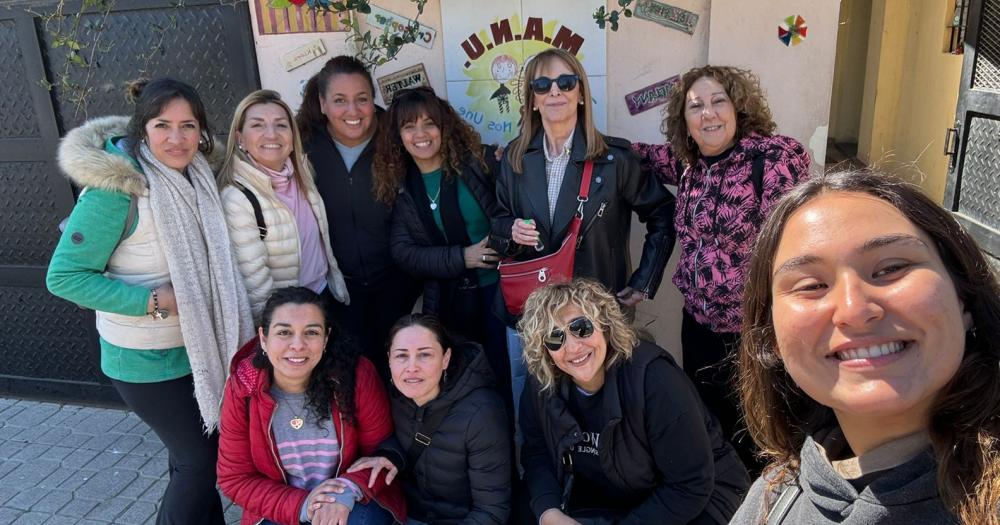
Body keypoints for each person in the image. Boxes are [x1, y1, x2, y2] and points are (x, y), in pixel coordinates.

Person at [731, 170, 1000, 524]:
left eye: (892, 267)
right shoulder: (773, 496)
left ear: (963, 298)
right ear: (772, 339)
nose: (854, 310)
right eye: (811, 285)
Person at [46, 78, 254, 524]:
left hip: (198, 349)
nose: (176, 139)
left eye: (188, 125)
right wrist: (154, 302)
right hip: (144, 359)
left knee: (193, 459)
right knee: (199, 461)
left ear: (202, 131)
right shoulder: (116, 191)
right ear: (142, 130)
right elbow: (64, 277)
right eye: (163, 125)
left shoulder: (198, 176)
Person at [631, 65, 811, 469]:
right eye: (696, 106)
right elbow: (636, 155)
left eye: (718, 101)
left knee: (760, 430)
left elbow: (796, 248)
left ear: (738, 107)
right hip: (698, 324)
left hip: (753, 330)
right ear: (685, 121)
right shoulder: (687, 165)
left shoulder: (772, 160)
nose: (708, 114)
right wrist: (583, 141)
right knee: (708, 422)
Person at [495, 48, 675, 419]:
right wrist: (508, 230)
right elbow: (496, 220)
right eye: (542, 84)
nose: (555, 91)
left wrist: (645, 279)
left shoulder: (614, 160)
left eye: (566, 81)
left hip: (598, 314)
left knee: (603, 414)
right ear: (531, 100)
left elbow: (663, 213)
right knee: (538, 414)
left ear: (580, 93)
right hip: (534, 315)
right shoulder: (514, 160)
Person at [518, 279, 749, 525]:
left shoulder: (655, 379)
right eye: (556, 338)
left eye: (581, 328)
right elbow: (536, 453)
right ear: (546, 350)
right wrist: (549, 512)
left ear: (604, 326)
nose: (573, 346)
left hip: (698, 496)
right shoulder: (543, 384)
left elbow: (691, 484)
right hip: (613, 497)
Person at [372, 86, 512, 415]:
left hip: (500, 295)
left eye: (428, 123)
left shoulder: (480, 162)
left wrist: (501, 244)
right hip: (447, 302)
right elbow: (404, 252)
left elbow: (511, 213)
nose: (420, 134)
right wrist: (462, 257)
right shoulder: (402, 185)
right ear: (398, 136)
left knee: (506, 379)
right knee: (457, 386)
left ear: (444, 125)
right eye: (409, 127)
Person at [217, 286, 405, 525]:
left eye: (311, 332)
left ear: (326, 338)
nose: (298, 344)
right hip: (282, 504)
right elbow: (235, 478)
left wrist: (346, 492)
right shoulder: (243, 388)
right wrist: (304, 505)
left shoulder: (355, 375)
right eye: (284, 332)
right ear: (263, 338)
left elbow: (380, 455)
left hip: (351, 499)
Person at [296, 55, 420, 382]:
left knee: (398, 371)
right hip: (337, 289)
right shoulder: (303, 147)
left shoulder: (396, 139)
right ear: (323, 104)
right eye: (340, 101)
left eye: (362, 99)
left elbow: (444, 152)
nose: (353, 111)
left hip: (397, 284)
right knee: (353, 376)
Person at [348, 314, 511, 525]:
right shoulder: (394, 394)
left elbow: (492, 511)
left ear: (445, 358)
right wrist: (390, 455)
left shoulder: (482, 412)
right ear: (388, 358)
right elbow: (393, 438)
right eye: (401, 356)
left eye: (424, 355)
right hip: (409, 514)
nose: (412, 366)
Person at [217, 89, 350, 320]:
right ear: (240, 139)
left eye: (281, 125)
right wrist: (279, 332)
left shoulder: (302, 174)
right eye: (258, 125)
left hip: (322, 295)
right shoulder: (237, 197)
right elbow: (257, 288)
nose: (272, 134)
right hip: (289, 316)